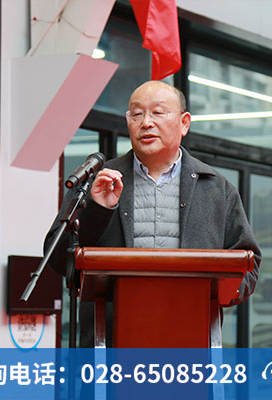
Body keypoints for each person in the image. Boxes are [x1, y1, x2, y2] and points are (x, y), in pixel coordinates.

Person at [45, 80, 261, 347]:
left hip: (190, 343)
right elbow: (58, 259)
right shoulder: (99, 182)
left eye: (158, 113)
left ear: (184, 123)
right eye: (137, 114)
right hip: (110, 345)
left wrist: (217, 293)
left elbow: (249, 265)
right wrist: (99, 210)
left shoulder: (215, 188)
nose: (146, 123)